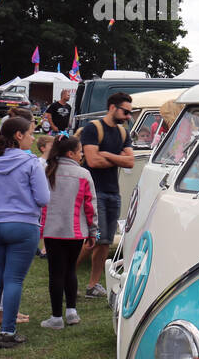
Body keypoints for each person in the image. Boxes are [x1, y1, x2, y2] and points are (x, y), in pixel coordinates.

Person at [0, 116, 50, 348]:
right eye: (31, 133)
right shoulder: (31, 163)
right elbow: (43, 198)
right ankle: (7, 332)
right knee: (13, 280)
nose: (33, 138)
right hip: (23, 226)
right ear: (18, 135)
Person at [38, 135, 98, 330]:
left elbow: (40, 202)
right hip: (76, 231)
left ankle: (56, 317)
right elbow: (91, 206)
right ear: (70, 153)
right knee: (70, 269)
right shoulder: (83, 174)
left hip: (52, 231)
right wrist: (93, 232)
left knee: (55, 273)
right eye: (80, 151)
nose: (81, 154)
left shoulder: (47, 172)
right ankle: (71, 312)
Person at [79, 92, 134, 298]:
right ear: (112, 108)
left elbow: (130, 161)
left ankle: (92, 285)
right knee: (95, 239)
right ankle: (67, 277)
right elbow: (93, 161)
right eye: (125, 111)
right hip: (95, 193)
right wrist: (118, 157)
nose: (128, 116)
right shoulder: (93, 129)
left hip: (113, 193)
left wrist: (107, 155)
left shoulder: (122, 133)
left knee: (105, 242)